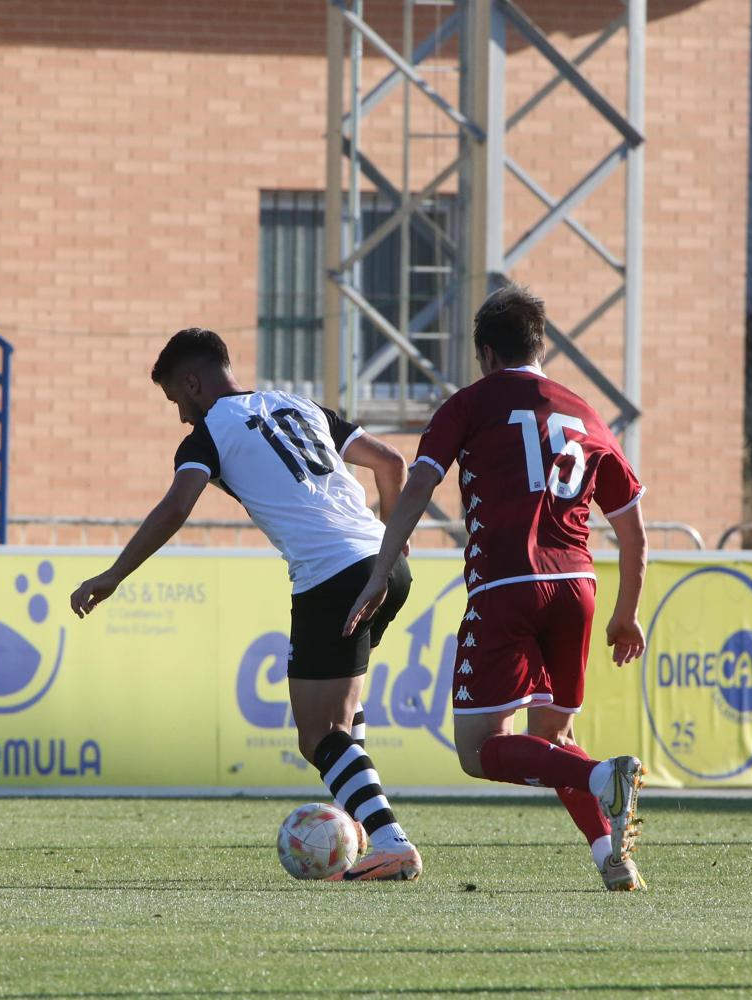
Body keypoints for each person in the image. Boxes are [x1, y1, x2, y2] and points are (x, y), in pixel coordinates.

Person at [70, 328, 422, 880]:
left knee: (317, 735)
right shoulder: (301, 405)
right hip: (386, 564)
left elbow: (176, 508)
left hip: (331, 575)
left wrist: (114, 573)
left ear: (193, 383)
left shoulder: (209, 433)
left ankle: (390, 840)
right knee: (342, 711)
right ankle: (360, 827)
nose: (181, 416)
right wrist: (393, 541)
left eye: (176, 399)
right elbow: (391, 462)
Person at [344, 284, 649, 891]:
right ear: (541, 347)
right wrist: (626, 615)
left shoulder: (469, 404)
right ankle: (611, 858)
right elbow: (633, 535)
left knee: (479, 750)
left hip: (508, 583)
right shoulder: (586, 414)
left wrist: (382, 567)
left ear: (485, 353)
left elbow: (419, 484)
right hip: (578, 586)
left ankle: (601, 777)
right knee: (554, 739)